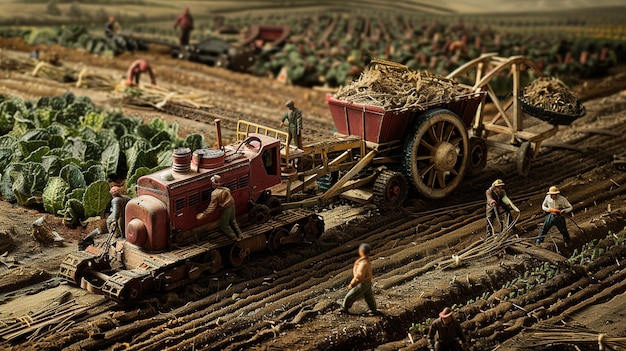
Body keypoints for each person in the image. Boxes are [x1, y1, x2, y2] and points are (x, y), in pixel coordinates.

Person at [196, 175, 242, 241]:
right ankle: (240, 235)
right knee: (233, 221)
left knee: (224, 225)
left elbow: (212, 206)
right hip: (232, 206)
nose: (211, 184)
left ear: (214, 184)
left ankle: (234, 238)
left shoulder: (215, 193)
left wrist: (204, 214)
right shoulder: (225, 189)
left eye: (212, 183)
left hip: (226, 209)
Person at [340, 243, 377, 315]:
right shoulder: (367, 261)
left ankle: (344, 309)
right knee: (369, 297)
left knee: (349, 296)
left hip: (363, 283)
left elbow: (359, 276)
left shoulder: (363, 263)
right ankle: (373, 309)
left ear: (361, 251)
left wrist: (352, 284)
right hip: (368, 282)